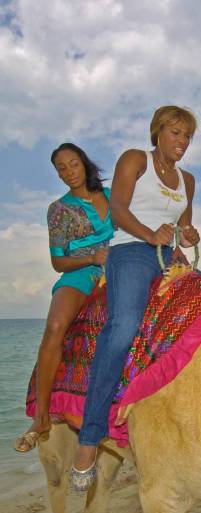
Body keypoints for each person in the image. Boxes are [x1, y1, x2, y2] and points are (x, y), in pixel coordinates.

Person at [70, 106, 201, 490]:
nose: (182, 142)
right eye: (175, 133)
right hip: (131, 250)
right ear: (158, 133)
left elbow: (184, 225)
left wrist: (187, 236)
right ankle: (89, 438)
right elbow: (116, 210)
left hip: (169, 256)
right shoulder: (135, 159)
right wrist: (149, 235)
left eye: (187, 136)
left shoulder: (187, 179)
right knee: (123, 327)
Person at [14, 143, 113, 452]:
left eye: (73, 164)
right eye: (61, 168)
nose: (69, 172)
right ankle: (42, 417)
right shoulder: (58, 209)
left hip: (118, 266)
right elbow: (58, 262)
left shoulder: (113, 195)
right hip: (81, 272)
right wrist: (92, 258)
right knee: (56, 327)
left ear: (84, 163)